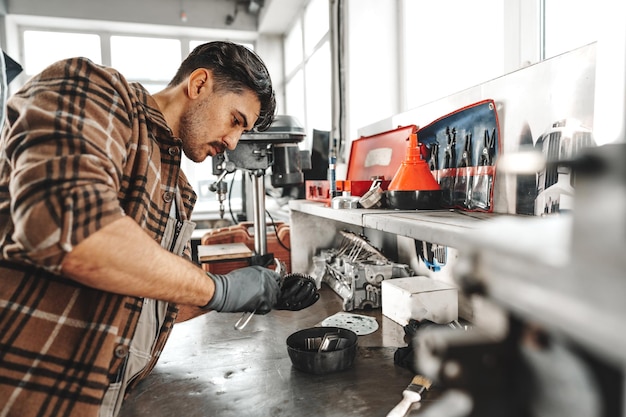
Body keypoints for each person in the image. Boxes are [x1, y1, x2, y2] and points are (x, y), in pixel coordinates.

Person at [0, 41, 316, 417]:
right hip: (31, 394)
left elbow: (159, 303)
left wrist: (262, 292)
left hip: (107, 400)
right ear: (199, 84)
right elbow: (70, 234)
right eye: (235, 120)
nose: (233, 143)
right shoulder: (94, 92)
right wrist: (222, 290)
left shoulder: (178, 191)